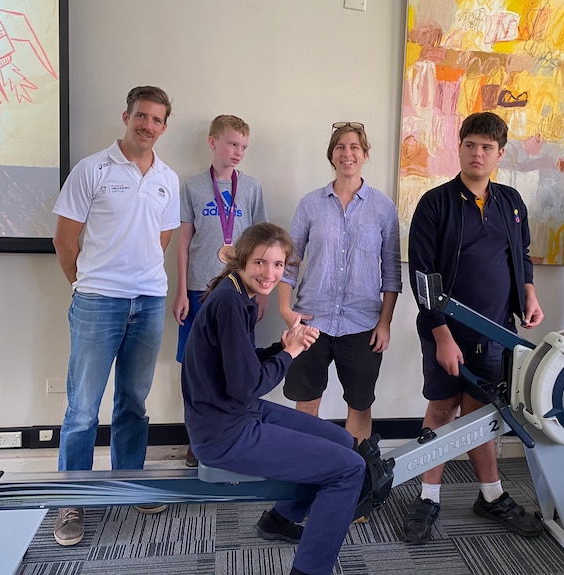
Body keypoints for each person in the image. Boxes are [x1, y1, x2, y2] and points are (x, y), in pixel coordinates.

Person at [182, 222, 366, 575]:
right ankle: (310, 570)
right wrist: (290, 354)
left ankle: (279, 519)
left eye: (278, 265)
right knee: (349, 468)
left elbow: (238, 363)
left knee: (343, 439)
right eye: (260, 263)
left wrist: (280, 347)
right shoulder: (231, 302)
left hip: (235, 413)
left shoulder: (236, 293)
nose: (269, 273)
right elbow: (246, 385)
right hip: (225, 432)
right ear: (242, 262)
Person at [405, 111, 544, 544]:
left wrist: (530, 295)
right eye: (470, 145)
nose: (477, 153)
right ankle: (428, 496)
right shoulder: (435, 203)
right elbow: (422, 275)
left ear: (499, 154)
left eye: (486, 147)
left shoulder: (511, 203)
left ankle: (491, 494)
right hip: (446, 331)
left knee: (483, 415)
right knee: (443, 411)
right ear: (459, 147)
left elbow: (520, 255)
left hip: (495, 332)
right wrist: (441, 335)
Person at [50, 86, 180, 546]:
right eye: (141, 116)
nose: (148, 125)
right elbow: (65, 242)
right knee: (82, 410)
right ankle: (72, 500)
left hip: (146, 304)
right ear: (125, 116)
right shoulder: (92, 169)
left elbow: (160, 240)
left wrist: (134, 282)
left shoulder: (168, 177)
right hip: (97, 302)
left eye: (157, 119)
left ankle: (129, 484)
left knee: (133, 403)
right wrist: (88, 286)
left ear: (165, 126)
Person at [279, 121, 402, 443]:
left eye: (354, 148)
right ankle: (304, 475)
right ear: (331, 155)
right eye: (340, 148)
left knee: (359, 407)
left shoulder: (383, 207)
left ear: (365, 154)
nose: (347, 154)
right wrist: (285, 309)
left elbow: (391, 270)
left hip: (362, 324)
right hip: (311, 321)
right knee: (305, 404)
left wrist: (385, 322)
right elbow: (290, 261)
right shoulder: (310, 204)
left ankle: (357, 479)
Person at [172, 114, 268, 467]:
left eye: (243, 146)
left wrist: (263, 293)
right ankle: (197, 437)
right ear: (212, 142)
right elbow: (183, 242)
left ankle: (232, 433)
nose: (238, 151)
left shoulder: (253, 188)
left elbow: (264, 246)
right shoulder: (193, 186)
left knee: (236, 365)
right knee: (195, 367)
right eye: (231, 143)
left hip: (240, 292)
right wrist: (181, 290)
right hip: (199, 289)